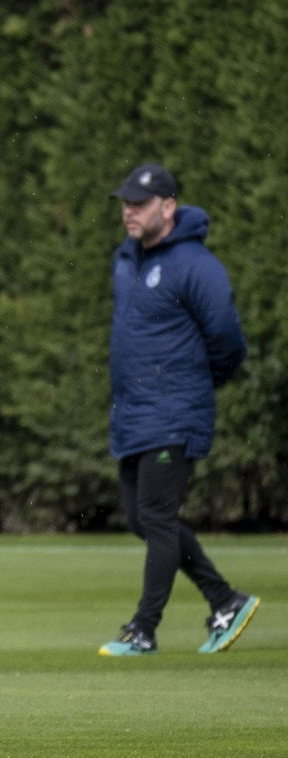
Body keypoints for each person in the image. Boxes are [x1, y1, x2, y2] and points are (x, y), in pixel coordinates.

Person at [97, 163, 258, 658]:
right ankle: (225, 599)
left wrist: (198, 385)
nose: (130, 212)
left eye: (140, 204)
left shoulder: (195, 263)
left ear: (168, 207)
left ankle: (143, 630)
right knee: (141, 519)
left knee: (157, 519)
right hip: (134, 414)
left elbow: (227, 339)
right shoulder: (127, 260)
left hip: (173, 412)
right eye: (126, 203)